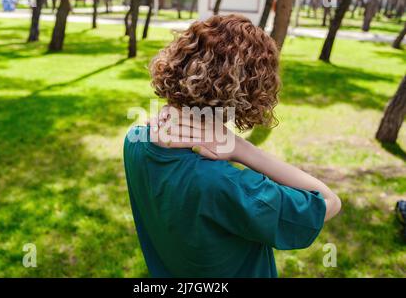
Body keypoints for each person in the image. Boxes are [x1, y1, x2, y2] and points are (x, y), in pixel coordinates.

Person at [123, 14, 341, 277]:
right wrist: (240, 148)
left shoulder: (134, 140)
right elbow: (329, 202)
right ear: (247, 92)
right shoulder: (225, 185)